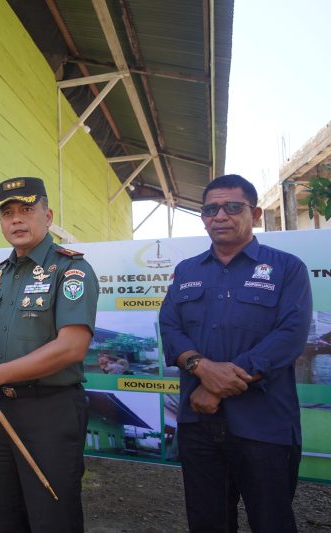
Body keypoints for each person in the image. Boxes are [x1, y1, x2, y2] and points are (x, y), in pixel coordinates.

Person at [159, 174, 312, 533]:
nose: (220, 216)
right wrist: (200, 366)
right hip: (199, 425)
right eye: (210, 209)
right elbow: (170, 327)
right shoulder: (187, 270)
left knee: (272, 522)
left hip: (264, 424)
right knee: (207, 522)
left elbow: (289, 336)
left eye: (232, 207)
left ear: (255, 214)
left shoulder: (287, 268)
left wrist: (215, 385)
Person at [0, 177, 98, 533]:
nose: (16, 219)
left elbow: (72, 346)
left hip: (51, 410)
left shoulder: (71, 270)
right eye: (7, 213)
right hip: (3, 411)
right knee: (5, 515)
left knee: (53, 519)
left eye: (26, 209)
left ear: (47, 216)